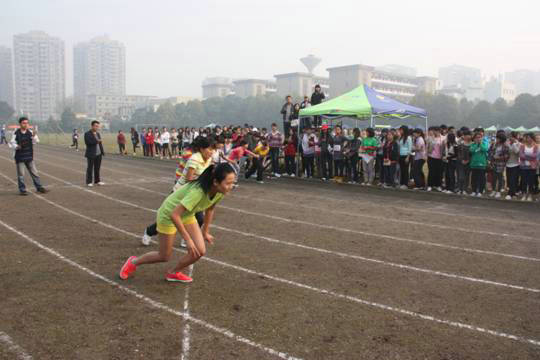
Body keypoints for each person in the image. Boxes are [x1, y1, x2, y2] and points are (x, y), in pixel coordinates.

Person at [120, 164, 236, 283]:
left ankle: (173, 273)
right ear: (216, 182)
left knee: (200, 251)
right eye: (228, 183)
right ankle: (133, 262)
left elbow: (210, 209)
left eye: (233, 182)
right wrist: (188, 240)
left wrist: (205, 232)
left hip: (187, 215)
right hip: (168, 215)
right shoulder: (198, 192)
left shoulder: (219, 192)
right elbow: (174, 215)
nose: (231, 186)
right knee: (164, 256)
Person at [8, 116, 48, 195]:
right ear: (20, 124)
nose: (26, 124)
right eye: (24, 123)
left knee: (35, 173)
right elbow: (11, 143)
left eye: (27, 123)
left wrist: (33, 136)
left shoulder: (30, 132)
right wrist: (16, 146)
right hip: (20, 157)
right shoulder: (16, 133)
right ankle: (22, 190)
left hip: (29, 157)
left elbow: (36, 142)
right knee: (21, 175)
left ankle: (39, 188)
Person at [84, 120, 105, 187]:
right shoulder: (87, 134)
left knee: (97, 168)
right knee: (90, 168)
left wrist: (102, 151)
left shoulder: (98, 134)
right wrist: (97, 141)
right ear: (92, 126)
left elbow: (100, 143)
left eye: (98, 126)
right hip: (91, 153)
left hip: (98, 154)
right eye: (96, 126)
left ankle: (97, 181)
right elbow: (88, 143)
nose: (97, 127)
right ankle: (89, 182)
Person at [519, 133, 538, 202]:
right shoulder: (522, 146)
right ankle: (524, 194)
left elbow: (535, 156)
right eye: (527, 137)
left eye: (529, 137)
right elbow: (521, 155)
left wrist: (526, 156)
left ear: (532, 138)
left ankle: (530, 195)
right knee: (524, 181)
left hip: (532, 167)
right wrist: (530, 156)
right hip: (524, 166)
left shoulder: (535, 146)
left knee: (531, 182)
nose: (528, 139)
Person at [488, 132, 509, 198]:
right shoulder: (494, 145)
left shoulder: (505, 146)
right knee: (493, 178)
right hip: (494, 163)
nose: (496, 139)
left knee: (499, 178)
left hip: (501, 164)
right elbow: (490, 152)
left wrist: (499, 157)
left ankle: (498, 191)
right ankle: (494, 190)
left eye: (497, 138)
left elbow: (507, 156)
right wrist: (491, 158)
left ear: (501, 139)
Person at [469, 132, 489, 197]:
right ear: (474, 138)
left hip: (482, 164)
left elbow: (485, 150)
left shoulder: (484, 144)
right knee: (474, 178)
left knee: (481, 179)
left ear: (482, 138)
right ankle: (474, 191)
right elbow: (471, 151)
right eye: (476, 137)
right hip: (474, 164)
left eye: (479, 137)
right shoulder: (472, 145)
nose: (478, 139)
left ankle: (480, 191)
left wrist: (480, 144)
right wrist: (476, 144)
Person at [426, 127, 444, 192]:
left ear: (439, 131)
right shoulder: (430, 138)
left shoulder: (443, 138)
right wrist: (427, 154)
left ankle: (438, 185)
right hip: (431, 157)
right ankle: (430, 185)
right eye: (434, 131)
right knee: (431, 171)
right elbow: (427, 147)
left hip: (439, 158)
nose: (435, 132)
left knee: (439, 172)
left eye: (437, 131)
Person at [456, 129, 472, 195]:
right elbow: (458, 153)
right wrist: (461, 160)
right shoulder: (460, 144)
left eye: (469, 135)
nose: (468, 137)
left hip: (469, 163)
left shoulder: (472, 144)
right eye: (466, 135)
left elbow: (472, 155)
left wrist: (468, 160)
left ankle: (465, 189)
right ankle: (460, 189)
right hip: (460, 163)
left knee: (467, 176)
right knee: (461, 176)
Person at [505, 131, 521, 200]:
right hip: (508, 164)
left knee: (513, 179)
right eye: (509, 136)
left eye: (512, 137)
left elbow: (518, 153)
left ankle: (510, 194)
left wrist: (513, 145)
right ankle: (513, 192)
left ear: (515, 137)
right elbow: (505, 152)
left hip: (516, 164)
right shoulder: (507, 143)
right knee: (509, 179)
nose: (510, 138)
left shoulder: (519, 144)